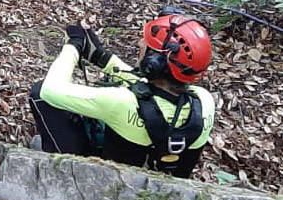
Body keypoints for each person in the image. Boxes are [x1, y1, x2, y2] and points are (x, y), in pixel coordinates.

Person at [28, 9, 216, 178]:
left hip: (107, 186)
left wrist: (73, 46)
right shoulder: (204, 102)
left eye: (147, 44)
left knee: (38, 94)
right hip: (159, 188)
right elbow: (151, 91)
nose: (141, 43)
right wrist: (102, 58)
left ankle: (62, 170)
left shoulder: (121, 102)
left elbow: (49, 90)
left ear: (153, 64)